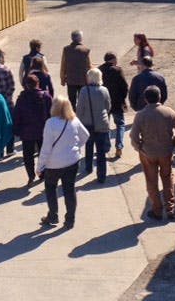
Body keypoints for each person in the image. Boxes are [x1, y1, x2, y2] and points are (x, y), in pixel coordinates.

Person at [129, 85, 175, 221]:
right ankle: (170, 209)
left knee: (151, 181)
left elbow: (133, 137)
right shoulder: (169, 112)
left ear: (145, 99)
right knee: (167, 178)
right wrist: (173, 143)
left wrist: (140, 148)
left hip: (148, 153)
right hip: (166, 152)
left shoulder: (140, 115)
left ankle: (157, 210)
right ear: (160, 96)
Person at [37, 97, 90, 229]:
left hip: (53, 164)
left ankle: (53, 215)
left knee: (50, 188)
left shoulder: (50, 123)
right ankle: (70, 220)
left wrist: (40, 166)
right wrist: (75, 147)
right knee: (69, 190)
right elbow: (86, 135)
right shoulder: (74, 120)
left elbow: (46, 147)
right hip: (72, 161)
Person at [12, 73, 52, 185]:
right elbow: (52, 113)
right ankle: (42, 173)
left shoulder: (22, 98)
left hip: (27, 132)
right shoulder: (45, 96)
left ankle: (31, 175)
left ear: (26, 85)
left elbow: (16, 115)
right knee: (43, 153)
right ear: (37, 83)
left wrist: (16, 130)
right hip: (43, 130)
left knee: (28, 155)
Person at [75, 68, 113, 183]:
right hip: (102, 124)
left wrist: (78, 121)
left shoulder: (84, 90)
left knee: (89, 146)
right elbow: (108, 106)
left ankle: (88, 167)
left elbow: (79, 109)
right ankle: (102, 176)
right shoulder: (104, 90)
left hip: (88, 124)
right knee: (101, 152)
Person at [100, 51, 129, 160]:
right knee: (120, 125)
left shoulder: (99, 70)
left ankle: (106, 146)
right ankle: (119, 147)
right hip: (117, 102)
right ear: (113, 59)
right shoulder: (118, 70)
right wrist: (122, 99)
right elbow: (124, 86)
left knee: (105, 125)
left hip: (104, 103)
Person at [60, 30, 91, 106]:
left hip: (70, 80)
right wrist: (90, 80)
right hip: (83, 80)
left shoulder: (66, 49)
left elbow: (63, 65)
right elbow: (89, 66)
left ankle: (72, 113)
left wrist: (62, 79)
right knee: (82, 101)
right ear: (80, 38)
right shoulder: (86, 50)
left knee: (71, 101)